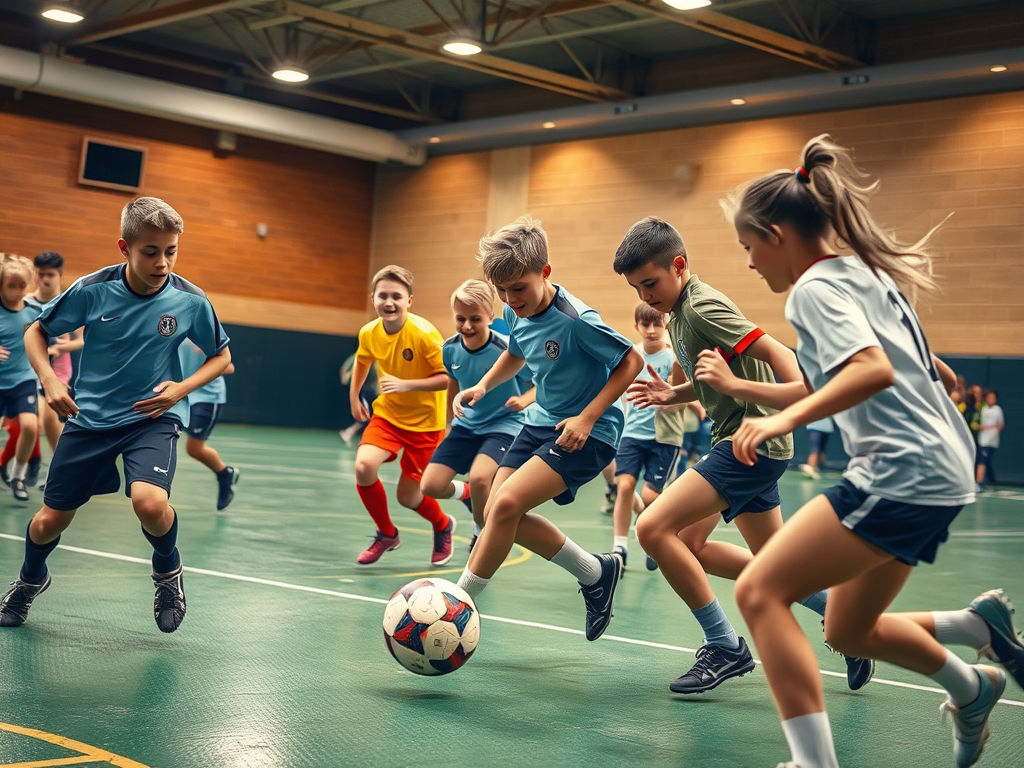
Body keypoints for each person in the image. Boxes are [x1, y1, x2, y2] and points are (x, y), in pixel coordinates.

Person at [727, 134, 1015, 768]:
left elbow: (871, 369)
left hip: (902, 471)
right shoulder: (863, 273)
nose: (749, 263)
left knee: (758, 591)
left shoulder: (812, 290)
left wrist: (782, 422)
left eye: (748, 247)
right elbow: (914, 366)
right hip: (942, 468)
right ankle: (974, 673)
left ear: (776, 235)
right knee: (847, 630)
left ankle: (813, 763)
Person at [614, 216, 872, 695]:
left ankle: (724, 645)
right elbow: (718, 373)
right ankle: (838, 614)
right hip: (743, 441)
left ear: (678, 265)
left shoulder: (703, 306)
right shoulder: (677, 310)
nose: (646, 296)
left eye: (650, 283)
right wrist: (675, 395)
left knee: (652, 529)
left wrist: (773, 401)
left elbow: (781, 357)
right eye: (637, 288)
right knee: (738, 556)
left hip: (749, 444)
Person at [0, 197, 230, 633]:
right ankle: (31, 578)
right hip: (89, 420)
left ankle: (168, 573)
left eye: (171, 251)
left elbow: (220, 356)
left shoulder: (191, 300)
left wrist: (180, 389)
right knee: (50, 521)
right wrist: (49, 379)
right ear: (124, 247)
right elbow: (37, 331)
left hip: (152, 417)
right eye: (151, 251)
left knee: (149, 501)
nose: (162, 262)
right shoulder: (92, 288)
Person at [453, 216, 644, 641]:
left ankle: (458, 603)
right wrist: (483, 385)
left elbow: (632, 361)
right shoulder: (511, 309)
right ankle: (596, 572)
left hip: (589, 432)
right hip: (540, 423)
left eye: (518, 288)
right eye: (503, 291)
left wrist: (588, 416)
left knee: (504, 508)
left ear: (545, 272)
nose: (510, 299)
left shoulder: (576, 320)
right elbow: (517, 353)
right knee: (495, 511)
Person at [349, 265, 454, 566]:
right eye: (383, 295)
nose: (389, 302)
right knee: (364, 466)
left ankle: (442, 524)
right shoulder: (369, 332)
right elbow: (362, 361)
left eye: (397, 296)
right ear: (373, 298)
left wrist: (408, 385)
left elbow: (447, 377)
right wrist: (354, 395)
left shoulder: (424, 334)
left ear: (410, 301)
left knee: (408, 497)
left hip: (425, 424)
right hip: (388, 416)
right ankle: (386, 533)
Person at [420, 279, 535, 554]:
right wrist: (448, 423)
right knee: (430, 485)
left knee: (481, 478)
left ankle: (480, 530)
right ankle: (469, 496)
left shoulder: (507, 349)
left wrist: (524, 400)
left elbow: (539, 382)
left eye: (475, 319)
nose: (467, 326)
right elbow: (453, 383)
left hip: (503, 424)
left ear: (490, 317)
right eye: (460, 319)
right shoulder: (450, 349)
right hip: (466, 425)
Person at [609, 303, 683, 572]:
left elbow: (682, 399)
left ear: (665, 325)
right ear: (636, 326)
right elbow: (615, 392)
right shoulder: (631, 358)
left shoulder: (675, 359)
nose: (651, 330)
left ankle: (653, 541)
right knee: (624, 487)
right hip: (631, 434)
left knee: (650, 498)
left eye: (657, 324)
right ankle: (620, 547)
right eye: (645, 324)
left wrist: (667, 399)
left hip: (664, 438)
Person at [0, 255, 44, 502]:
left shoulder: (34, 312)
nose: (17, 292)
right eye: (10, 286)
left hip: (23, 379)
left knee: (30, 426)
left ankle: (18, 475)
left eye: (21, 286)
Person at [178, 338, 239, 509]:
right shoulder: (169, 327)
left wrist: (207, 357)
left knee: (194, 449)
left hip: (206, 397)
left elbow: (229, 367)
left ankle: (225, 474)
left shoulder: (204, 331)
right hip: (180, 393)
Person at [339, 352, 378, 446]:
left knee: (374, 416)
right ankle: (349, 432)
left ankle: (365, 437)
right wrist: (345, 378)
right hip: (364, 390)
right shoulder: (358, 356)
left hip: (376, 392)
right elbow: (344, 369)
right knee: (364, 414)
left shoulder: (379, 358)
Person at [976, 389, 1003, 490]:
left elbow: (1001, 425)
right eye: (988, 397)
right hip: (982, 439)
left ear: (996, 399)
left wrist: (992, 431)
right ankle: (991, 481)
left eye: (992, 397)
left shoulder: (998, 410)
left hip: (992, 441)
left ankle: (979, 483)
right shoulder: (983, 409)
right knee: (986, 461)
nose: (990, 399)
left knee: (983, 461)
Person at [799, 416, 834, 480]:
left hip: (827, 428)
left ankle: (818, 468)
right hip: (815, 427)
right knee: (815, 449)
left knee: (821, 450)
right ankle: (811, 468)